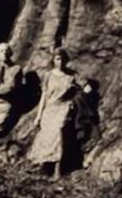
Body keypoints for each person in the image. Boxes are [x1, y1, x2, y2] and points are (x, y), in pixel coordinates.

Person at [29, 48, 85, 180]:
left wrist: (76, 98)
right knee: (45, 135)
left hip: (63, 108)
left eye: (63, 59)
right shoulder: (48, 75)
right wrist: (39, 115)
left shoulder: (71, 76)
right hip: (49, 109)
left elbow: (85, 87)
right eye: (57, 59)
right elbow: (44, 96)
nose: (60, 62)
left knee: (58, 133)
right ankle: (42, 168)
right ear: (53, 60)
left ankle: (57, 171)